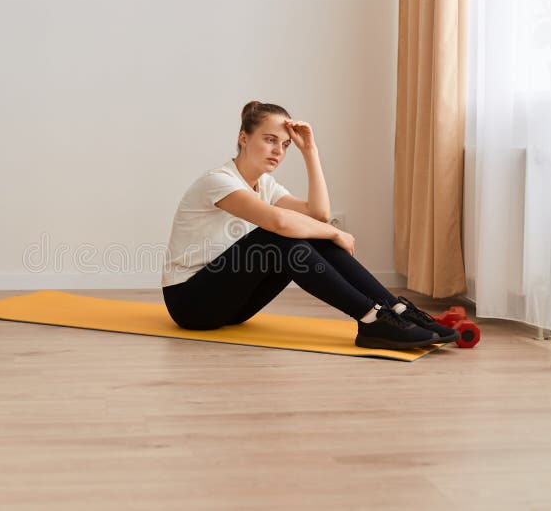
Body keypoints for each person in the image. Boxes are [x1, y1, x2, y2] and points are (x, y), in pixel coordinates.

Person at [161, 101, 459, 349]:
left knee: (304, 233)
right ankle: (370, 319)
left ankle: (394, 309)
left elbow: (317, 214)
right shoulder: (218, 181)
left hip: (232, 306)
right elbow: (279, 221)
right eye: (270, 140)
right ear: (243, 138)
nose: (278, 150)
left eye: (285, 144)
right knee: (278, 236)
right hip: (189, 303)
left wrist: (310, 152)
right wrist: (335, 231)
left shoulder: (265, 185)